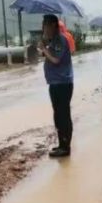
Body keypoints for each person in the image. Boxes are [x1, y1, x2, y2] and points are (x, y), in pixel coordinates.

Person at [39, 14, 73, 158]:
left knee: (63, 115)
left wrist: (44, 49)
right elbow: (49, 56)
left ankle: (65, 147)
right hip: (54, 83)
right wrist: (45, 47)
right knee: (58, 115)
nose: (43, 28)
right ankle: (62, 144)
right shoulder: (53, 40)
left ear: (53, 25)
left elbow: (55, 60)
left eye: (45, 25)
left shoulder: (61, 40)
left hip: (62, 84)